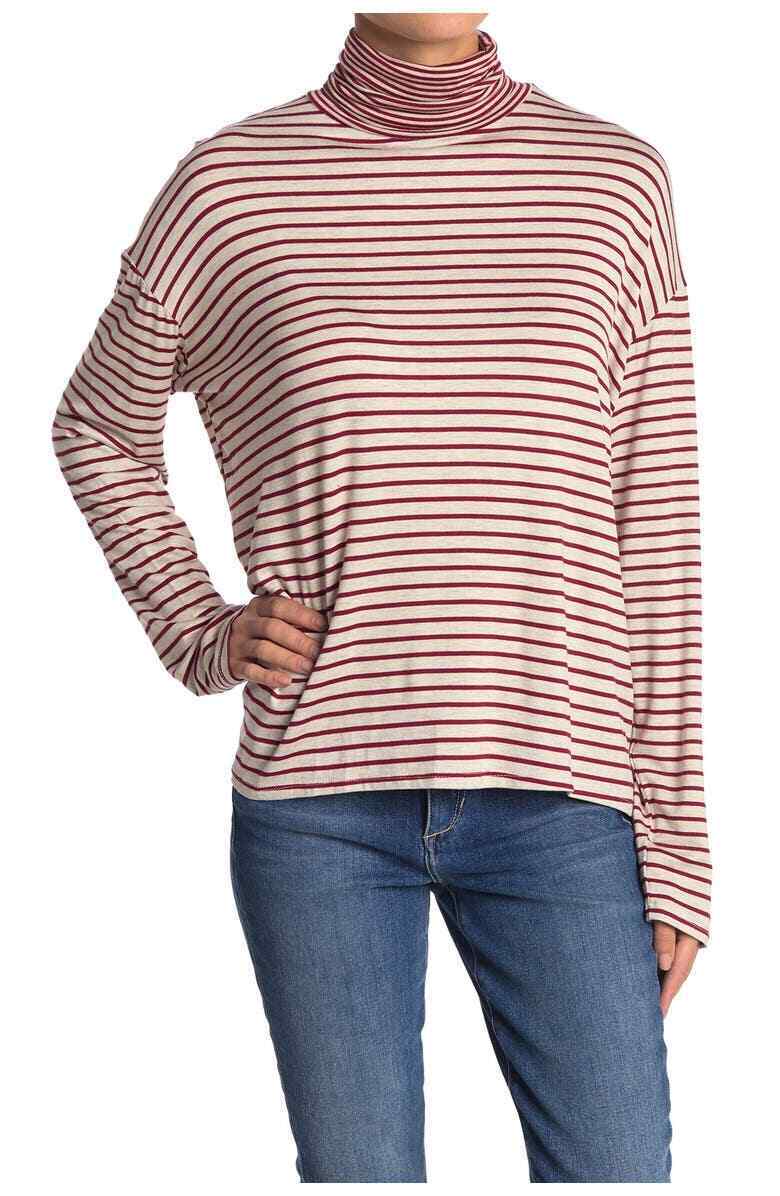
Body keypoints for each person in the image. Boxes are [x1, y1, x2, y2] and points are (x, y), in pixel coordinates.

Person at [51, 10, 712, 1183]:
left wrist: (677, 837)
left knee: (617, 1167)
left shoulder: (616, 184)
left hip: (564, 793)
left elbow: (654, 524)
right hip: (320, 803)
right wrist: (200, 628)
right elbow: (98, 425)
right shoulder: (227, 188)